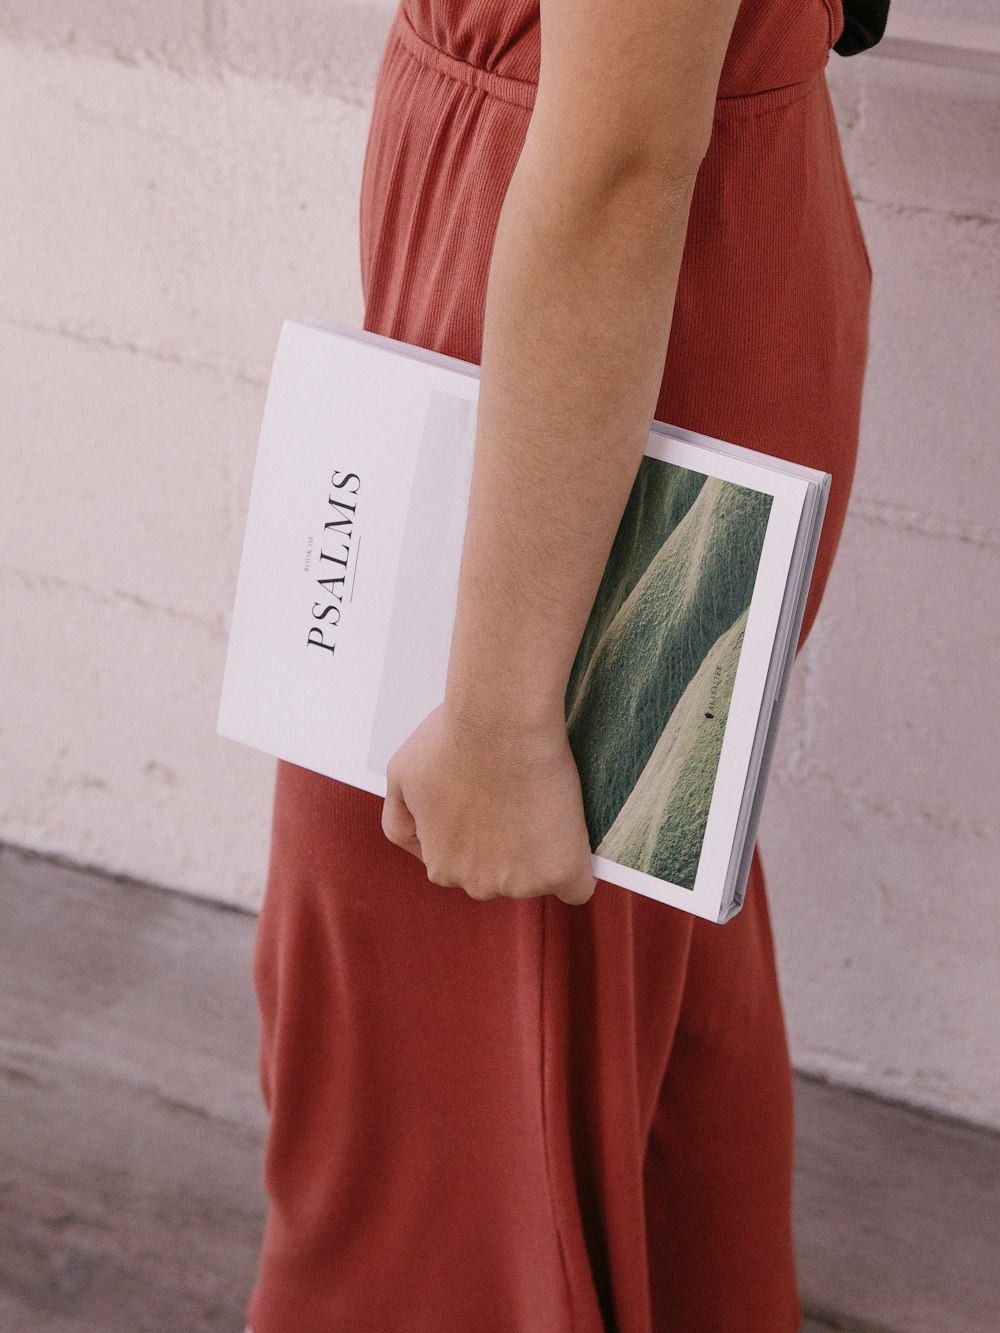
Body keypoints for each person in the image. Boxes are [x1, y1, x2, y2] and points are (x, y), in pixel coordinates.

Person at [244, 0, 871, 1327]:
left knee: (434, 1126)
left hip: (586, 336)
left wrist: (499, 712)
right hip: (571, 299)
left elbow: (618, 169)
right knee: (616, 1036)